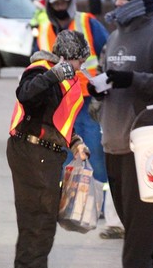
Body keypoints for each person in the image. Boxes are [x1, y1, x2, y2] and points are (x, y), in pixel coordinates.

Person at [87, 0, 153, 267]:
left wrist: (132, 79)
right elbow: (112, 76)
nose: (116, 2)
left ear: (138, 1)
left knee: (137, 238)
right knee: (133, 223)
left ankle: (151, 259)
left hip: (144, 142)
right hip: (113, 138)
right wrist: (101, 88)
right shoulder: (116, 35)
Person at [6, 29, 91, 268]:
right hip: (33, 153)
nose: (80, 68)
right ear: (65, 58)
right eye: (79, 62)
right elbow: (26, 95)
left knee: (40, 223)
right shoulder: (40, 71)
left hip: (44, 154)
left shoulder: (61, 78)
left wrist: (75, 143)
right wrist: (54, 75)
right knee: (37, 222)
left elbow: (54, 118)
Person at [35, 0, 109, 193]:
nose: (60, 7)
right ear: (50, 6)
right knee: (64, 149)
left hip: (87, 98)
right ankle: (69, 197)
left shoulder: (87, 22)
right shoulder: (43, 30)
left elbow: (108, 51)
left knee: (93, 146)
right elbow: (36, 63)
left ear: (70, 3)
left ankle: (98, 199)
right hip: (60, 101)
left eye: (63, 3)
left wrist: (101, 90)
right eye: (56, 4)